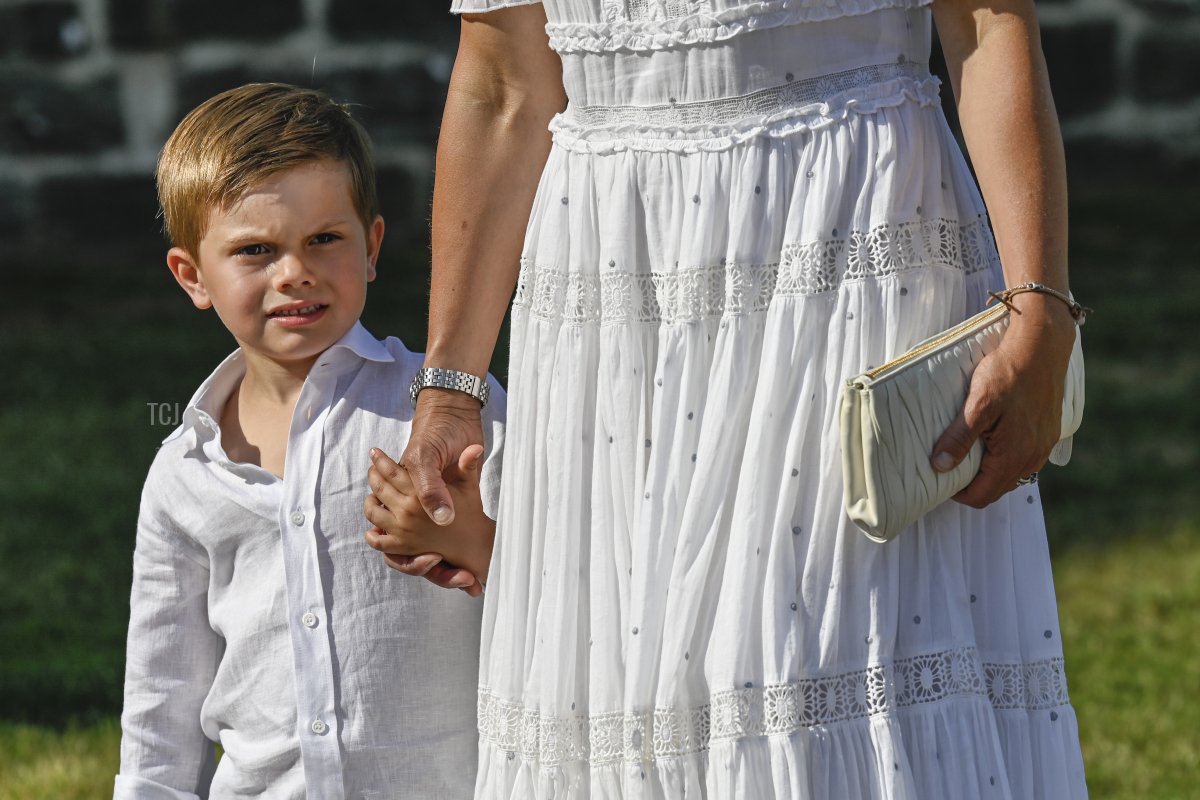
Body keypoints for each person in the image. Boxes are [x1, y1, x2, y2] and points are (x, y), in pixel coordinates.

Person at [371, 0, 1089, 796]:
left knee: (803, 661)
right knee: (633, 686)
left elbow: (989, 24)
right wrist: (449, 390)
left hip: (849, 243)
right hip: (616, 292)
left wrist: (1041, 307)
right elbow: (503, 89)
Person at [114, 82, 505, 799]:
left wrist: (475, 542)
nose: (295, 271)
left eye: (324, 239)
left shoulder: (447, 413)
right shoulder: (185, 471)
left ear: (372, 246)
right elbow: (161, 694)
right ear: (192, 275)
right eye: (256, 250)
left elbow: (570, 593)